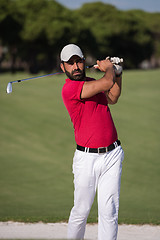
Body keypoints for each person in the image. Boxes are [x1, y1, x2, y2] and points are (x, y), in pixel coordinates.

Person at [60, 43, 124, 240]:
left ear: (83, 61)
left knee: (109, 211)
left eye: (78, 61)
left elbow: (112, 96)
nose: (76, 66)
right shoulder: (70, 88)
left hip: (112, 154)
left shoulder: (91, 82)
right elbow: (106, 84)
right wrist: (110, 68)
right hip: (86, 159)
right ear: (62, 67)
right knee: (81, 210)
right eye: (70, 63)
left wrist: (118, 74)